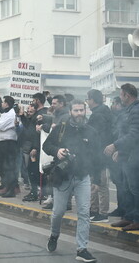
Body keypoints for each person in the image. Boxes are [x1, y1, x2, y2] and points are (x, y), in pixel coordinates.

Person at [43, 99, 99, 262]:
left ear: (85, 111)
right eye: (76, 110)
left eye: (82, 110)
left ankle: (82, 249)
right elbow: (46, 146)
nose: (79, 113)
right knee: (58, 212)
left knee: (83, 212)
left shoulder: (91, 131)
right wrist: (57, 151)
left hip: (83, 177)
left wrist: (96, 179)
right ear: (70, 112)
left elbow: (96, 157)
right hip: (63, 177)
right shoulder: (61, 128)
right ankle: (54, 235)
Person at [104, 83, 139, 231]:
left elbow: (135, 134)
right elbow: (126, 132)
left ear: (127, 95)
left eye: (121, 95)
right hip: (128, 154)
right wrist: (120, 150)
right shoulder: (130, 110)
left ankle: (138, 220)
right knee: (126, 187)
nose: (120, 98)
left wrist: (115, 145)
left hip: (136, 155)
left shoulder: (138, 110)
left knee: (136, 188)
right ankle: (128, 217)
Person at [86, 89, 114, 223]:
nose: (87, 102)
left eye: (88, 99)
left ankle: (102, 213)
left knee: (101, 183)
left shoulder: (98, 115)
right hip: (96, 153)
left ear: (93, 100)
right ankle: (94, 210)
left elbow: (97, 136)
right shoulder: (102, 112)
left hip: (99, 153)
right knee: (94, 181)